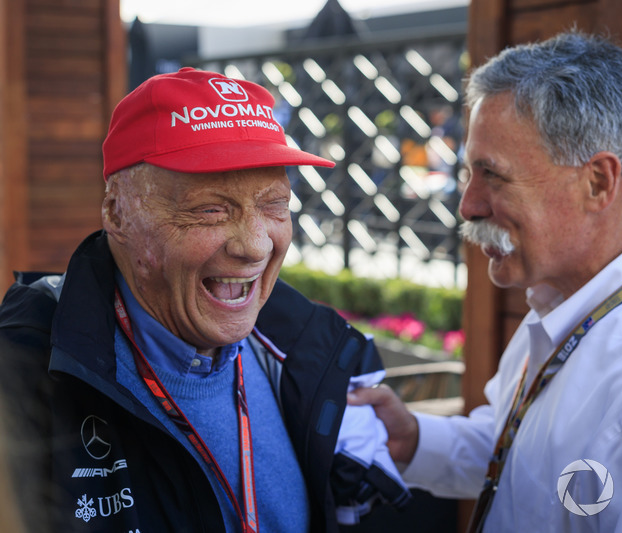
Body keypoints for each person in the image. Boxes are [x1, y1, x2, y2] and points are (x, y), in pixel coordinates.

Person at [349, 31, 622, 532]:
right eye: (470, 173)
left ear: (597, 183)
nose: (468, 205)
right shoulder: (570, 298)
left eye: (494, 175)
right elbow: (522, 453)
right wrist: (414, 439)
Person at [0, 67, 410, 532]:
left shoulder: (310, 352)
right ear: (117, 212)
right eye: (211, 210)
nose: (255, 245)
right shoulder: (23, 369)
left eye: (274, 204)